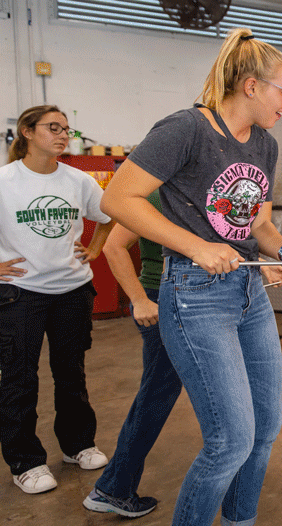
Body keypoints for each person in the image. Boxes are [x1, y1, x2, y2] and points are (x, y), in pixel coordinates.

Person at [100, 28, 282, 526]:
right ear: (251, 85)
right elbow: (117, 199)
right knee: (231, 440)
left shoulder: (265, 145)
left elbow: (259, 224)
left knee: (266, 428)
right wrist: (198, 246)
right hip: (195, 295)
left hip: (249, 292)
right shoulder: (187, 129)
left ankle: (240, 520)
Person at [83, 192, 282, 518]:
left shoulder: (213, 190)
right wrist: (139, 301)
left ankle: (114, 486)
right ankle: (113, 487)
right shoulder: (156, 190)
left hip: (215, 297)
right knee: (157, 395)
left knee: (157, 394)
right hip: (168, 298)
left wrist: (259, 267)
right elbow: (113, 245)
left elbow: (229, 246)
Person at [0, 104, 116, 494]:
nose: (64, 134)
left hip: (71, 290)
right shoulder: (5, 181)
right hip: (20, 294)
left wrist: (96, 249)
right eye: (54, 128)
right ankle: (26, 462)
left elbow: (107, 216)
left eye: (67, 128)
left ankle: (78, 445)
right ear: (28, 132)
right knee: (19, 379)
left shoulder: (78, 180)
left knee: (71, 374)